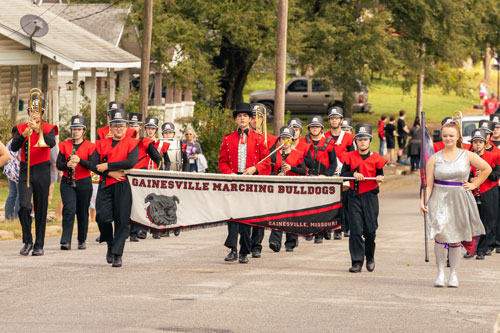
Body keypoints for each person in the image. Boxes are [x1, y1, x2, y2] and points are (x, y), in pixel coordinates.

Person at [421, 122, 490, 288]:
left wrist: (474, 185)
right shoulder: (434, 158)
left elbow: (486, 168)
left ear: (458, 137)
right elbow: (428, 184)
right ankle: (440, 272)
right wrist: (423, 201)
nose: (448, 139)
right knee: (440, 236)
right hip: (439, 198)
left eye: (451, 135)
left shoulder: (467, 155)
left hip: (460, 199)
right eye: (445, 136)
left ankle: (454, 274)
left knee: (455, 238)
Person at [218, 103, 271, 264]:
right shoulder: (228, 139)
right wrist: (230, 174)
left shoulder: (259, 139)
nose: (242, 118)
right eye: (239, 116)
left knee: (246, 218)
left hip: (250, 181)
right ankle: (232, 249)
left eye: (245, 116)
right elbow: (222, 162)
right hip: (234, 180)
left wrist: (255, 168)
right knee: (233, 216)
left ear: (250, 119)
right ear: (236, 119)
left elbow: (267, 162)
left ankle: (244, 251)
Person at [92, 109, 139, 267]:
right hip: (106, 183)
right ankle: (110, 243)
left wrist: (107, 165)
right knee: (102, 217)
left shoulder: (132, 143)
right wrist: (109, 172)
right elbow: (93, 164)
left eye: (122, 126)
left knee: (121, 220)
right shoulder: (101, 144)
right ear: (110, 128)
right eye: (115, 126)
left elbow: (130, 162)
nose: (119, 128)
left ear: (127, 127)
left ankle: (117, 254)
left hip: (124, 185)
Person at [11, 96, 58, 256]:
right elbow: (14, 146)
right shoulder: (20, 127)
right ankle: (27, 240)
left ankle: (39, 244)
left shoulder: (48, 127)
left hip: (42, 169)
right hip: (25, 169)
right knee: (23, 205)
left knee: (41, 207)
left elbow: (52, 143)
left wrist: (38, 130)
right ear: (28, 112)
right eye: (32, 111)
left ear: (43, 112)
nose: (35, 114)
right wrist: (24, 134)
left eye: (38, 112)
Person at [341, 124, 386, 273]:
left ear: (370, 141)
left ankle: (370, 257)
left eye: (365, 139)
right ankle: (357, 262)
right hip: (354, 196)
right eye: (359, 139)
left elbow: (380, 173)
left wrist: (380, 177)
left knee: (370, 231)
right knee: (355, 230)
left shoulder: (376, 158)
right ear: (356, 141)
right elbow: (343, 175)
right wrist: (353, 174)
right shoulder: (350, 156)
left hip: (370, 197)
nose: (362, 142)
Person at [56, 115, 95, 250]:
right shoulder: (64, 145)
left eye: (78, 129)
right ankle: (65, 241)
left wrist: (80, 161)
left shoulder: (90, 146)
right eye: (73, 129)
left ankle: (82, 239)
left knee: (82, 211)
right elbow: (59, 165)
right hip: (67, 182)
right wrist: (68, 164)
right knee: (69, 209)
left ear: (84, 131)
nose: (75, 131)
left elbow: (92, 165)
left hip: (84, 182)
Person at [268, 126, 306, 253]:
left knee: (292, 215)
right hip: (278, 190)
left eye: (288, 139)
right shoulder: (274, 155)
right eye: (282, 139)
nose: (285, 142)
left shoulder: (299, 155)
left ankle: (291, 242)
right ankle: (275, 241)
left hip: (293, 189)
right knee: (277, 214)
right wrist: (276, 174)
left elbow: (303, 172)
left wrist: (292, 168)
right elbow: (266, 172)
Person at [300, 115, 337, 243]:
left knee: (321, 207)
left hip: (322, 178)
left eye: (317, 126)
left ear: (321, 128)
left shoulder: (329, 142)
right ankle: (309, 231)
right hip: (307, 176)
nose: (314, 129)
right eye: (312, 126)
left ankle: (320, 233)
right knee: (307, 205)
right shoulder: (302, 142)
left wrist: (326, 175)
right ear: (309, 128)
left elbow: (333, 163)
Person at [465, 129, 500, 260]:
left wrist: (486, 174)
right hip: (472, 191)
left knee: (488, 221)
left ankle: (483, 249)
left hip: (488, 191)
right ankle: (471, 248)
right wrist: (471, 179)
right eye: (475, 142)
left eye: (480, 142)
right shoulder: (467, 157)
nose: (478, 145)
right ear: (472, 144)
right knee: (471, 221)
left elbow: (497, 175)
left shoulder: (493, 157)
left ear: (485, 144)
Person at [248, 103, 278, 256]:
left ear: (262, 120)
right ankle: (246, 244)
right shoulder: (244, 136)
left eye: (258, 118)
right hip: (247, 179)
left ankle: (257, 246)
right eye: (252, 118)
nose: (255, 121)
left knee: (260, 214)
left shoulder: (270, 139)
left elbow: (273, 158)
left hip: (263, 178)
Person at [129, 112, 162, 241]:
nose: (133, 127)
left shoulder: (145, 142)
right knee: (127, 204)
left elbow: (158, 158)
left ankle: (135, 232)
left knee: (139, 204)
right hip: (126, 174)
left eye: (136, 125)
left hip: (141, 176)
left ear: (140, 127)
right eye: (131, 125)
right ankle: (125, 230)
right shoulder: (124, 141)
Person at [324, 106, 355, 240]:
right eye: (332, 118)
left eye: (337, 118)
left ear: (341, 120)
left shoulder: (348, 137)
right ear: (329, 120)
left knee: (344, 201)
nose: (334, 121)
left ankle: (342, 227)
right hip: (329, 173)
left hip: (344, 174)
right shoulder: (324, 136)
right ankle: (328, 228)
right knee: (329, 202)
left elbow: (353, 155)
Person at [3, 129, 19, 220]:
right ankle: (17, 217)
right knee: (19, 195)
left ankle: (8, 217)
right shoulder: (19, 142)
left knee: (12, 193)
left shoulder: (9, 142)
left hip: (9, 171)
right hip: (17, 171)